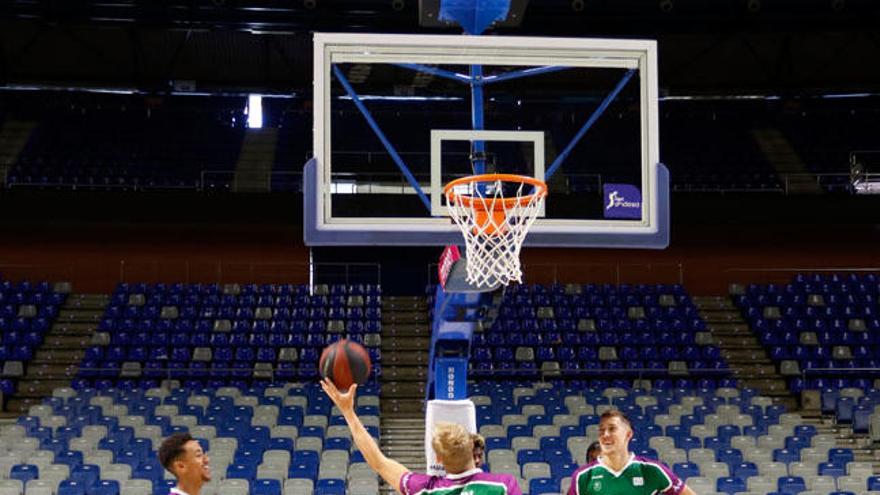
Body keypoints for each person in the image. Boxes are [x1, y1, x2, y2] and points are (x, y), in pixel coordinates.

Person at [321, 378, 521, 495]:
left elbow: (378, 462)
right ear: (474, 450)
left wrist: (348, 411)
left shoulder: (425, 489)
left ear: (439, 459)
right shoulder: (503, 485)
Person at [568, 410, 696, 495]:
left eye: (612, 429)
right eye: (601, 430)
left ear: (628, 434)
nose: (605, 435)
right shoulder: (583, 476)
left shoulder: (652, 470)